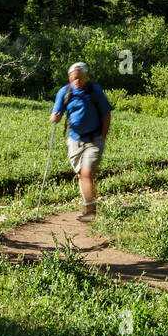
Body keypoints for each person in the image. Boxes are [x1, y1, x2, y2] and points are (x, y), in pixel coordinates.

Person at [50, 62, 112, 219]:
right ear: (70, 77)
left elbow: (106, 114)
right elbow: (55, 114)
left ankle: (90, 211)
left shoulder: (95, 91)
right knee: (81, 175)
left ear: (86, 77)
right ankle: (90, 205)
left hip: (94, 139)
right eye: (74, 78)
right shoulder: (64, 92)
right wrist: (55, 118)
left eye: (80, 77)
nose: (77, 81)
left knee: (86, 173)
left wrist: (102, 138)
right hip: (74, 140)